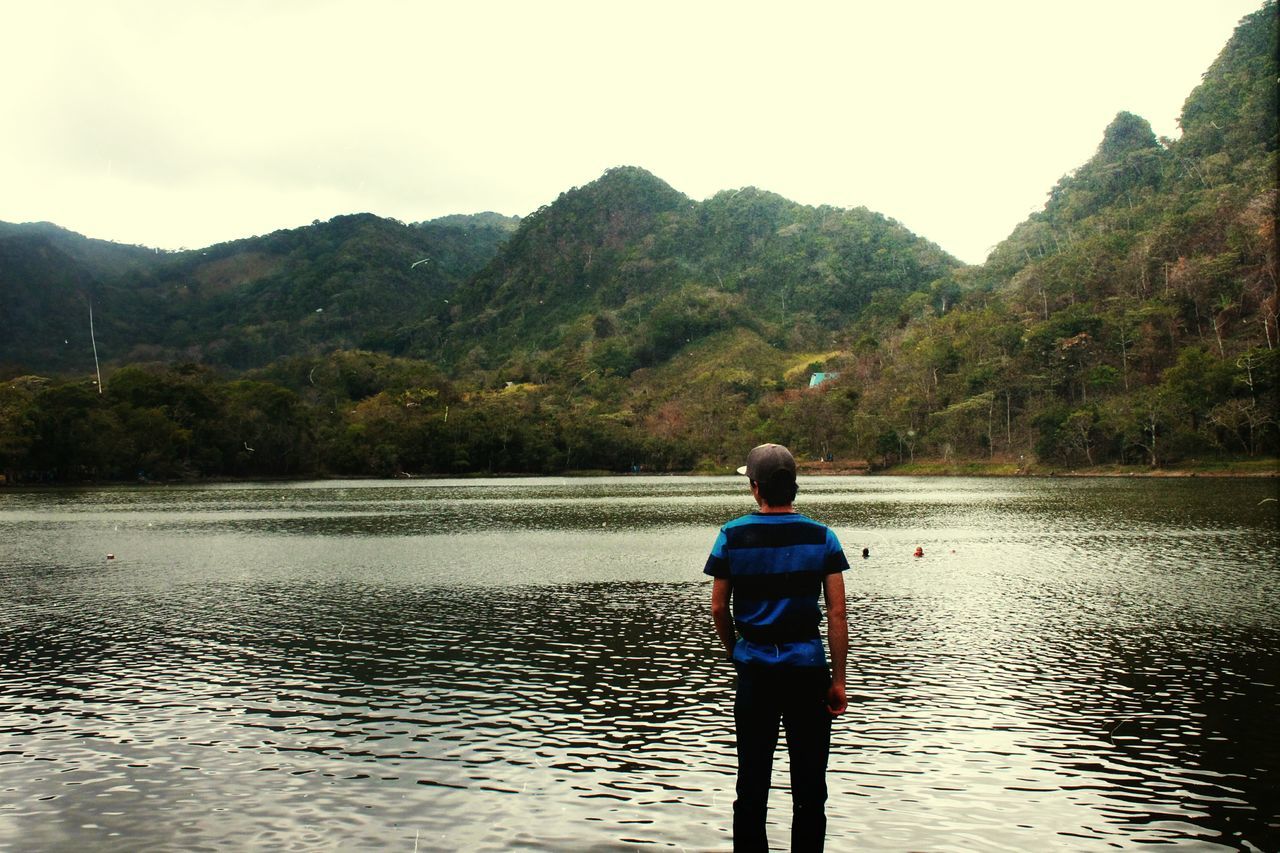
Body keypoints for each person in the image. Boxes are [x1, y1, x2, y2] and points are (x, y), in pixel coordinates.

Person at [705, 443, 849, 851]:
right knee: (809, 790)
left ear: (755, 488)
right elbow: (837, 615)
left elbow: (718, 607)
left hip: (756, 672)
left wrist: (737, 651)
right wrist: (837, 681)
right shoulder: (823, 537)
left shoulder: (731, 536)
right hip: (808, 672)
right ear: (794, 486)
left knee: (751, 786)